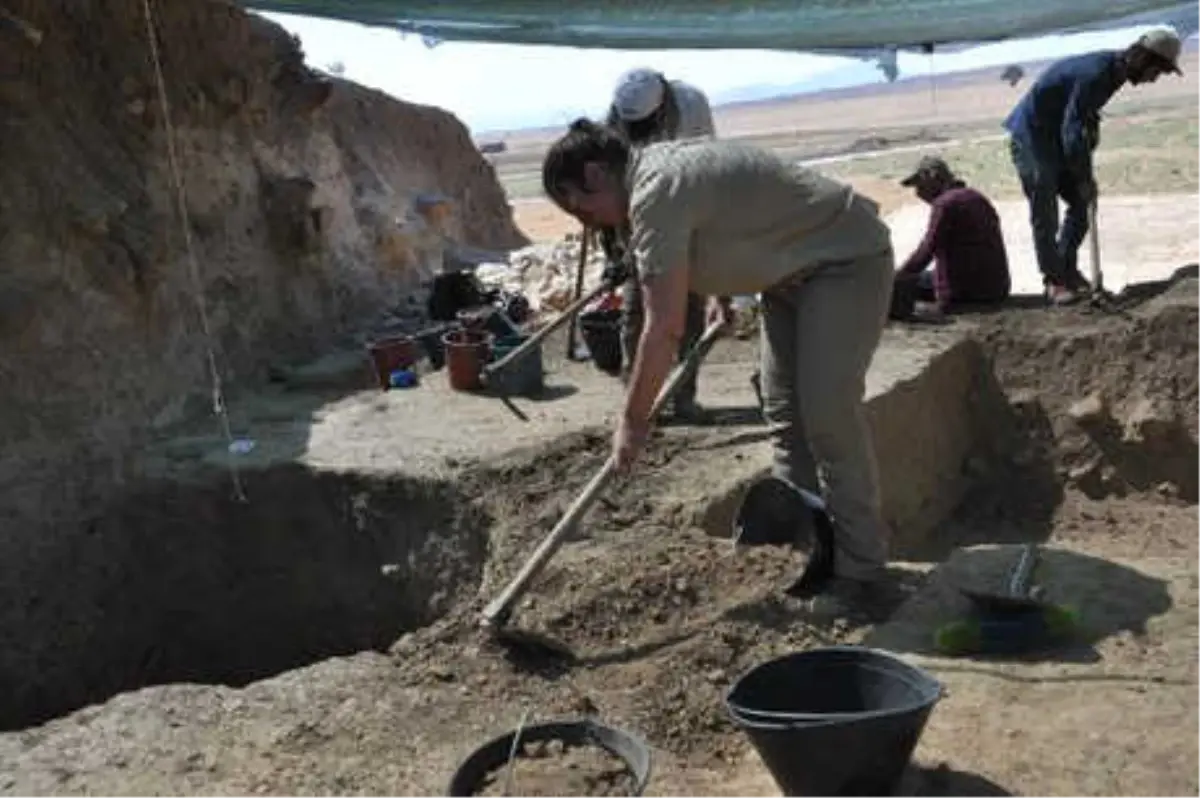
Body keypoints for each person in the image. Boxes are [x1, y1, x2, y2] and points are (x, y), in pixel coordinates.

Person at [542, 119, 897, 615]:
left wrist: (633, 419)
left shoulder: (655, 190)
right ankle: (807, 554)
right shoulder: (653, 181)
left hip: (843, 262)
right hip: (786, 279)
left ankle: (862, 575)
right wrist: (720, 291)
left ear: (598, 174)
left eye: (582, 207)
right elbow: (733, 218)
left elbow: (663, 327)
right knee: (785, 414)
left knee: (828, 414)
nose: (589, 222)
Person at [1003, 27, 1183, 306]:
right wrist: (1083, 175)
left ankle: (1066, 266)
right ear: (1142, 59)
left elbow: (1080, 119)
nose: (1154, 79)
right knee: (1045, 204)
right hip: (1033, 137)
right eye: (1156, 71)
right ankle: (1055, 280)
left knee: (1082, 201)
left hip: (1055, 137)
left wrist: (1088, 147)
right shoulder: (1097, 73)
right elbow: (1072, 131)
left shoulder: (1114, 74)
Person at [597, 67, 717, 423]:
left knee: (689, 311)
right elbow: (614, 187)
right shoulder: (616, 119)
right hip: (640, 214)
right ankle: (640, 404)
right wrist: (617, 250)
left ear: (662, 104)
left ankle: (684, 398)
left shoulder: (692, 106)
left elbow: (706, 171)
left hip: (688, 208)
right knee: (636, 313)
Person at [891, 155, 1011, 319]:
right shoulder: (976, 196)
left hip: (964, 291)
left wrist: (898, 277)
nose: (918, 193)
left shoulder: (945, 204)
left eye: (919, 185)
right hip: (996, 286)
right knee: (922, 277)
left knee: (900, 284)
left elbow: (927, 250)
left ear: (932, 178)